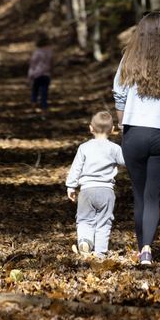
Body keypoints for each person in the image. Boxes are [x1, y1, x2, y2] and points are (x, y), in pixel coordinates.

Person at [112, 12, 160, 266]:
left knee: (138, 193)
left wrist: (125, 127)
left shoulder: (128, 60)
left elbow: (119, 96)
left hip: (135, 132)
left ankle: (142, 248)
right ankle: (147, 247)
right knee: (152, 195)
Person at [65, 110, 125, 259]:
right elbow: (125, 162)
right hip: (106, 191)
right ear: (112, 130)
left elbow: (76, 168)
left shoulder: (84, 148)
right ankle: (100, 252)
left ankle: (85, 241)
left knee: (85, 219)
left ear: (90, 128)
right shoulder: (115, 148)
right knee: (104, 221)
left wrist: (71, 186)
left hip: (87, 190)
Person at [27, 31, 53, 112]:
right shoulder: (49, 51)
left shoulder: (37, 52)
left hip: (37, 74)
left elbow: (33, 64)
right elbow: (51, 62)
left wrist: (30, 75)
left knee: (35, 90)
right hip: (46, 75)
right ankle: (44, 105)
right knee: (44, 91)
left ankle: (34, 103)